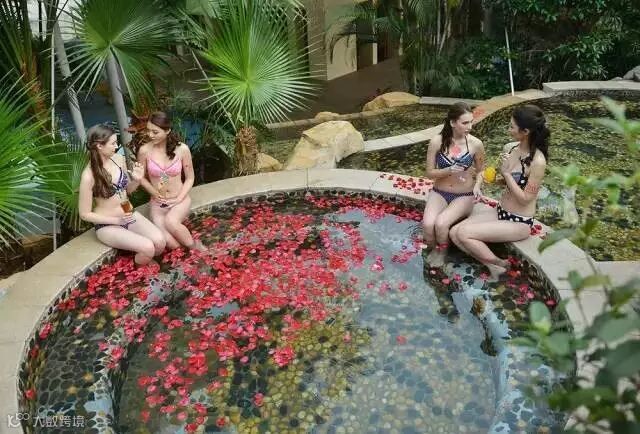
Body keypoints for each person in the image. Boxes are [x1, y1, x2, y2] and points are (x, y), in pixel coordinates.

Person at [449, 104, 549, 279]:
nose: (508, 130)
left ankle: (502, 264)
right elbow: (502, 181)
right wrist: (489, 178)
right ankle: (493, 267)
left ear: (525, 131)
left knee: (463, 234)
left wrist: (507, 173)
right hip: (501, 211)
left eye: (512, 126)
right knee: (453, 233)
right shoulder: (510, 148)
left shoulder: (537, 162)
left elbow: (526, 198)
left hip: (519, 221)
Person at [79, 124, 166, 265]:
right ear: (99, 146)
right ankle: (138, 268)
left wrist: (137, 180)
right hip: (108, 224)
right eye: (113, 143)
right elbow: (84, 214)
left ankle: (142, 262)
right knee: (148, 248)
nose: (117, 146)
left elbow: (127, 191)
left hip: (128, 214)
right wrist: (117, 221)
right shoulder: (88, 176)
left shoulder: (118, 159)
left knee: (160, 242)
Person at [422, 102, 485, 267]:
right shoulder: (437, 142)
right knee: (428, 225)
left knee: (441, 224)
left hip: (464, 195)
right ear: (452, 122)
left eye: (471, 122)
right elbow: (429, 172)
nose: (470, 127)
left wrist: (477, 186)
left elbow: (481, 171)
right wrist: (448, 170)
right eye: (465, 123)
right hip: (440, 192)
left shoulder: (476, 144)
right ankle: (433, 249)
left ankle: (442, 253)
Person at [136, 112, 203, 250]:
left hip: (179, 200)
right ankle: (184, 255)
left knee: (171, 222)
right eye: (148, 130)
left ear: (167, 131)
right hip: (158, 203)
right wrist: (154, 192)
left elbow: (190, 178)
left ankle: (196, 247)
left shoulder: (182, 149)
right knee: (171, 244)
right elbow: (140, 177)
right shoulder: (144, 151)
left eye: (155, 132)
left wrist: (179, 198)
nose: (150, 135)